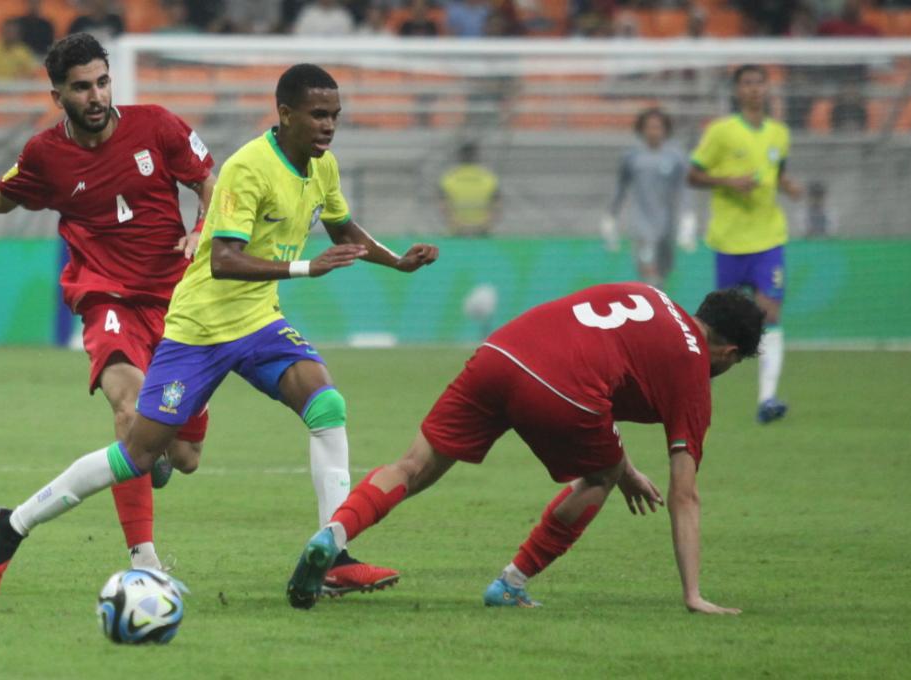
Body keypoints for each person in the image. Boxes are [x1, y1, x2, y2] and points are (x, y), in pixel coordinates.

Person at [0, 63, 440, 600]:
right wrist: (309, 268)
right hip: (199, 329)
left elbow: (342, 228)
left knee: (326, 405)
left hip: (259, 322)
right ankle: (12, 525)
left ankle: (333, 552)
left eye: (334, 115)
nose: (328, 126)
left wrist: (396, 261)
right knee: (137, 455)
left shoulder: (321, 166)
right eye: (317, 116)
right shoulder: (248, 169)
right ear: (285, 114)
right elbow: (223, 260)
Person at [0, 33, 215, 577]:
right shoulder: (45, 155)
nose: (97, 96)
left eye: (103, 82)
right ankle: (145, 564)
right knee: (130, 419)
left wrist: (203, 229)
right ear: (58, 96)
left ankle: (153, 457)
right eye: (82, 88)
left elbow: (209, 181)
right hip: (107, 297)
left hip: (180, 304)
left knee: (185, 458)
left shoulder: (158, 125)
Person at [286, 283, 764, 614]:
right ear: (728, 353)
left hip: (503, 353)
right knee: (599, 478)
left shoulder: (648, 296)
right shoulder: (693, 366)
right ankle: (510, 585)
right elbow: (684, 494)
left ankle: (333, 535)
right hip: (562, 386)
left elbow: (597, 357)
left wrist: (627, 466)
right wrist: (693, 593)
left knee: (413, 465)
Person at [687, 64, 803, 424]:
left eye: (759, 83)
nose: (754, 89)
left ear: (767, 89)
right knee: (718, 324)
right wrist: (727, 181)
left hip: (769, 238)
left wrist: (788, 186)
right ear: (736, 91)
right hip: (729, 240)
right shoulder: (721, 132)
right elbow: (693, 174)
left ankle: (767, 397)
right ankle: (695, 390)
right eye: (747, 83)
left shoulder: (779, 133)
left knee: (770, 311)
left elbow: (777, 170)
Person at [602, 108, 694, 289]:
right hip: (641, 223)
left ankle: (657, 306)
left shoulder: (676, 157)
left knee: (662, 276)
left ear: (665, 130)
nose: (654, 132)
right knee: (648, 274)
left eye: (658, 127)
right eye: (650, 127)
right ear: (642, 130)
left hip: (667, 224)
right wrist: (611, 218)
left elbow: (683, 189)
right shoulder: (632, 157)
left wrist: (687, 218)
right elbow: (620, 188)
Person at [439, 142, 500, 237]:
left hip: (456, 230)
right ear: (477, 157)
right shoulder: (489, 177)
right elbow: (496, 205)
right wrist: (485, 224)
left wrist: (456, 223)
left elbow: (443, 205)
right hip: (482, 230)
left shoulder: (448, 178)